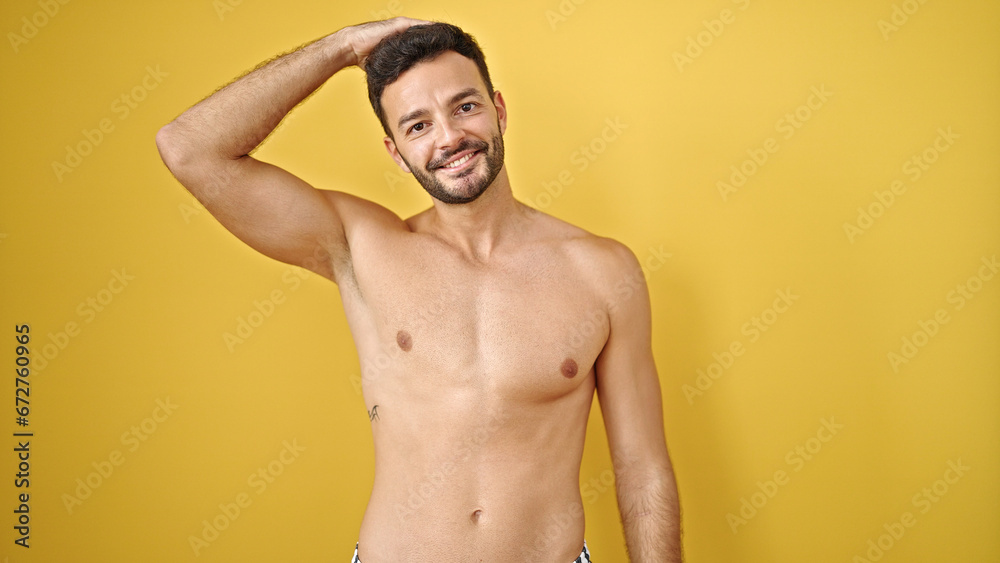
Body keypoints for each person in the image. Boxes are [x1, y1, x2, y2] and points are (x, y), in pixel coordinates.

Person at [155, 16, 682, 563]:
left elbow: (642, 468)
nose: (450, 137)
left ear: (498, 110)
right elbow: (188, 149)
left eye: (465, 107)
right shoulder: (364, 247)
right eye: (418, 125)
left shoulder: (602, 272)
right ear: (395, 150)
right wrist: (342, 47)